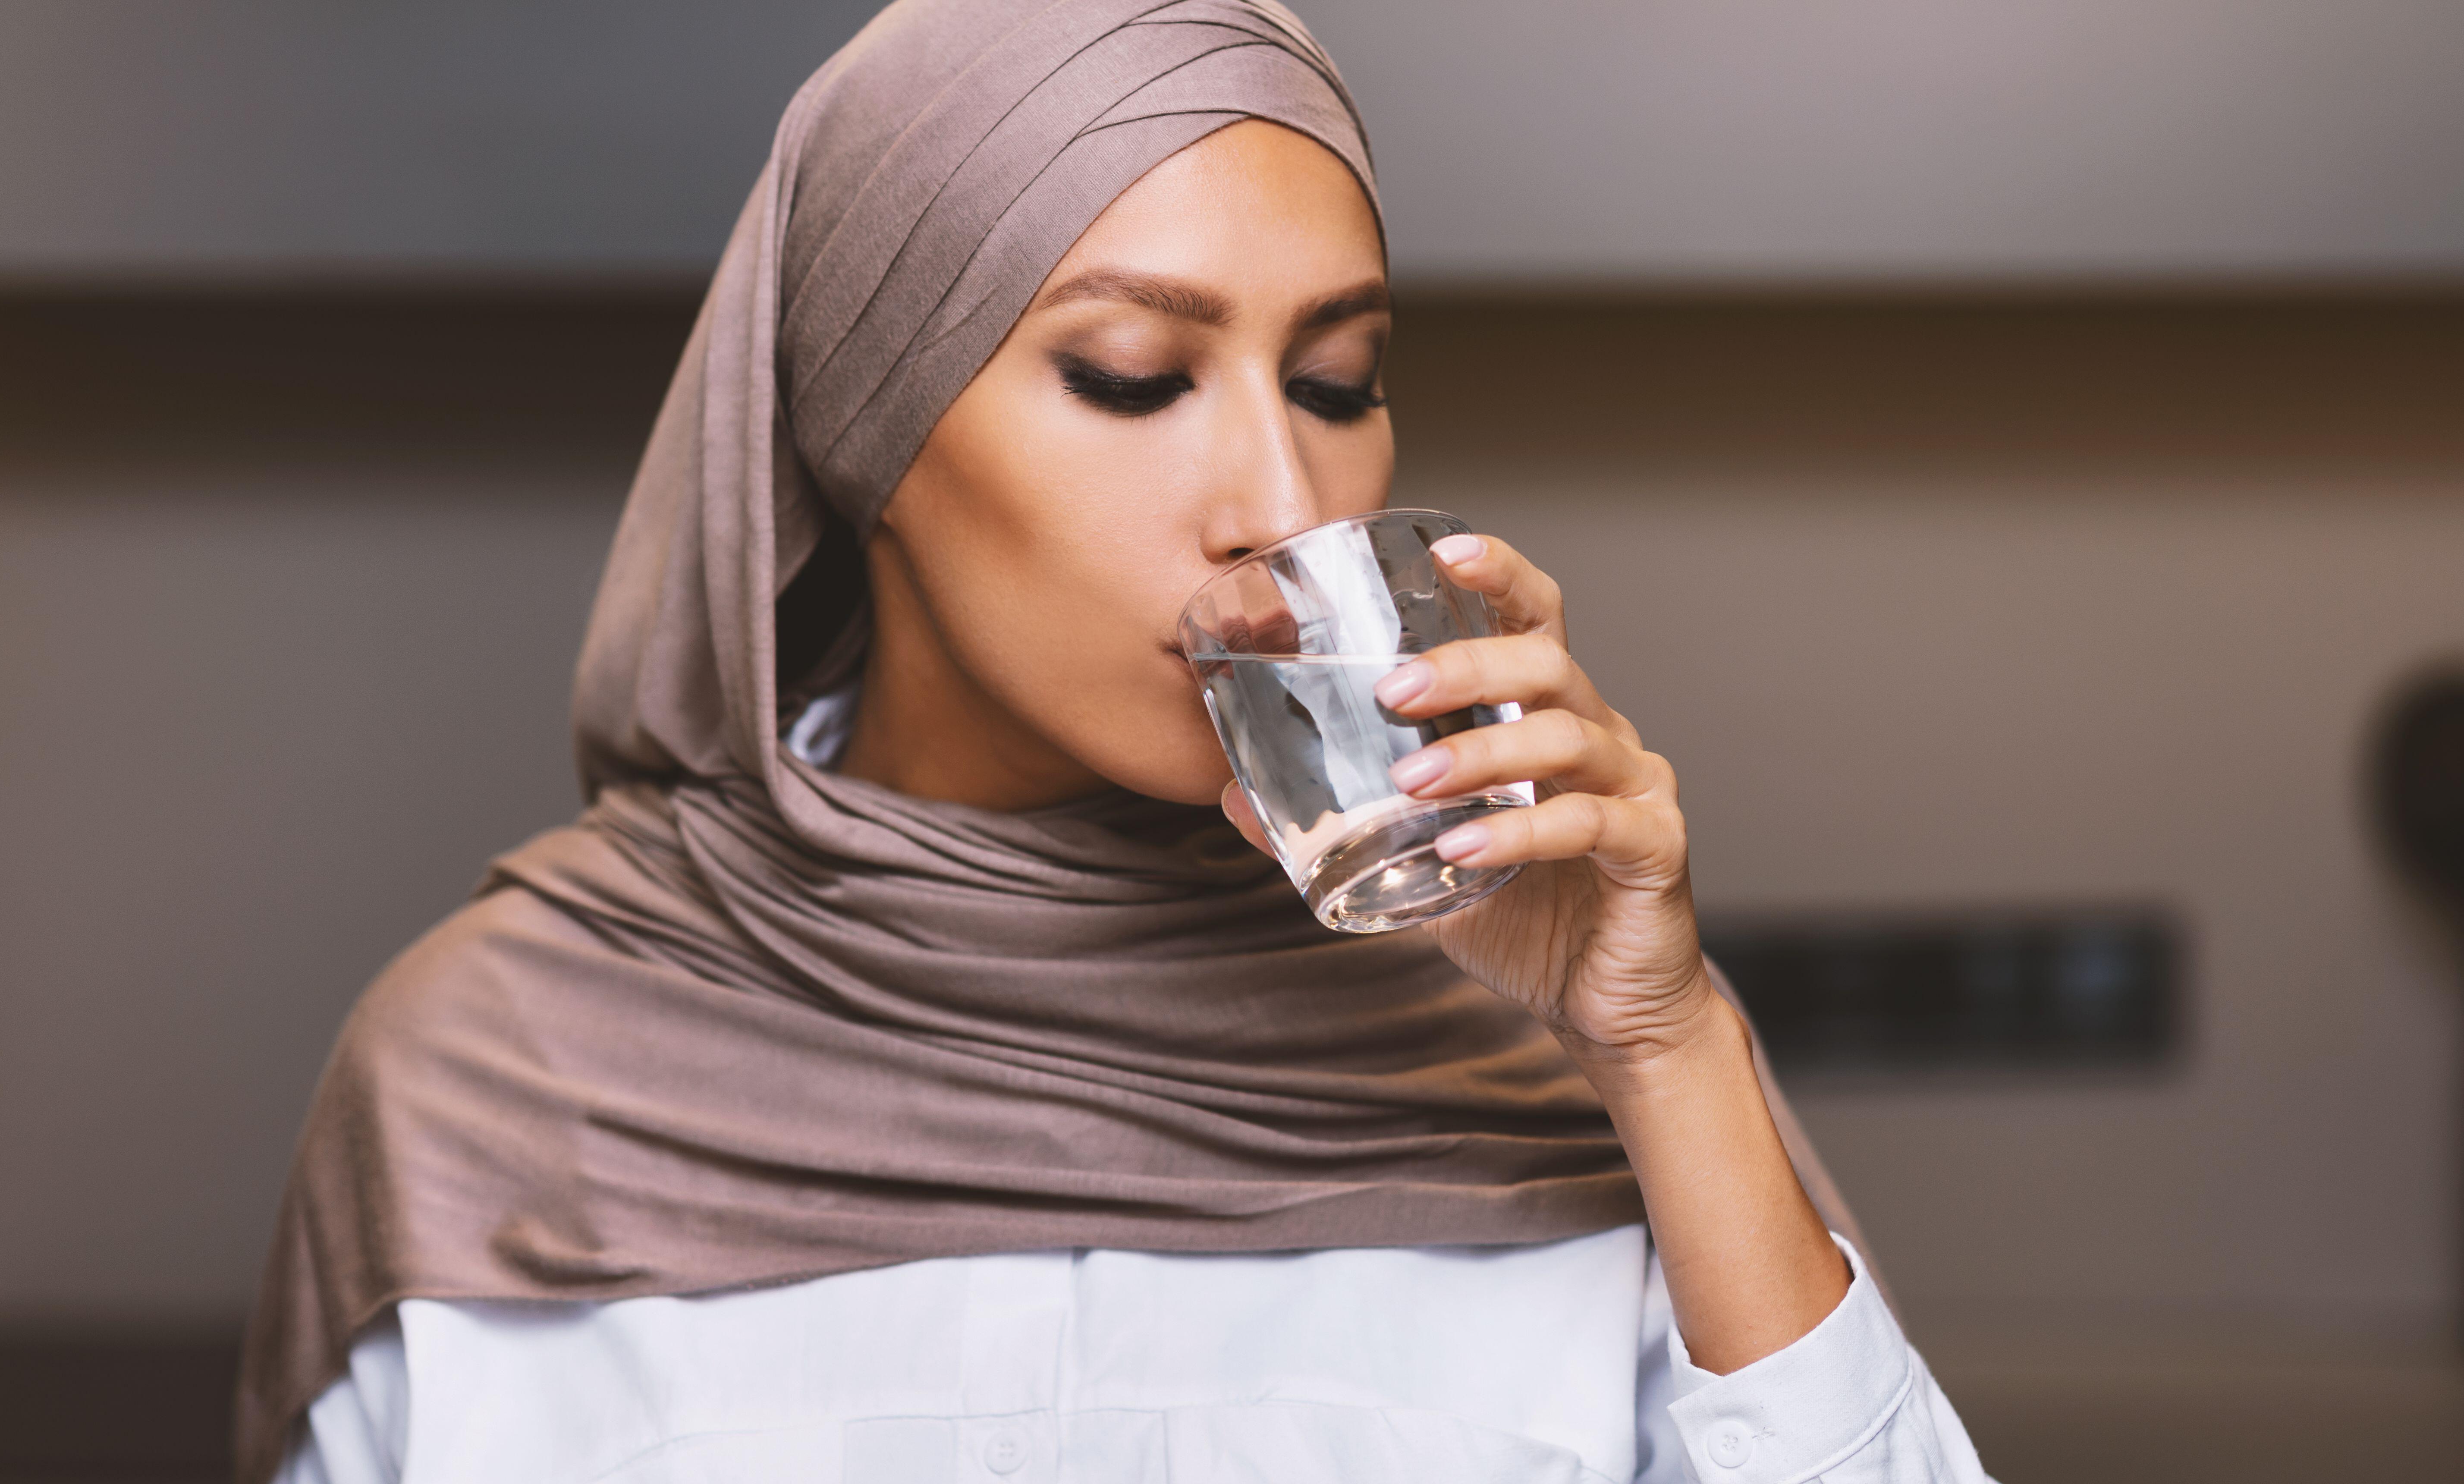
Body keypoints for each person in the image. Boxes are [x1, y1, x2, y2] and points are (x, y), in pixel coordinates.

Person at [241, 3, 1994, 1481]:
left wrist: (1664, 1042)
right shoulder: (502, 1068)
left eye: (1334, 384)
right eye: (1134, 376)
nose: (1278, 505)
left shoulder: (1542, 1050)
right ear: (867, 428)